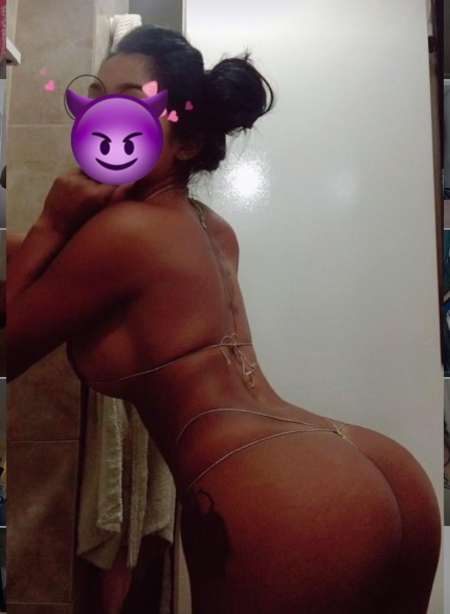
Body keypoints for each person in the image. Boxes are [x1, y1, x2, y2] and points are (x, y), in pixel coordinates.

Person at [7, 25, 441, 614]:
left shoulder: (121, 235)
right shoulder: (211, 229)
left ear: (186, 143)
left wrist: (52, 222)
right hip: (375, 465)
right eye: (98, 98)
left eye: (131, 103)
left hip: (276, 490)